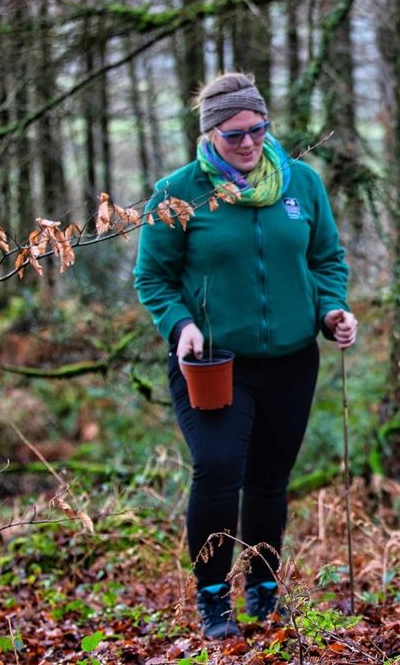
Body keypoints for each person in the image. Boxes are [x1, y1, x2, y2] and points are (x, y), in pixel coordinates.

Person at [134, 72, 357, 639]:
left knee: (268, 479)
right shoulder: (177, 194)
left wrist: (332, 311)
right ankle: (213, 598)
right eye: (234, 134)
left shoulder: (300, 184)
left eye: (258, 130)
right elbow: (153, 277)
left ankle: (262, 590)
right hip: (211, 363)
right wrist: (178, 324)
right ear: (210, 133)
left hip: (290, 360)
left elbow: (327, 260)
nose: (249, 143)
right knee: (216, 470)